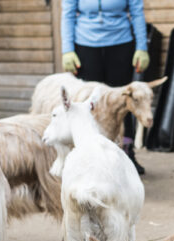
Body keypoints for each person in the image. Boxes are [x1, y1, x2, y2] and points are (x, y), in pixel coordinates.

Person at [61, 0, 149, 174]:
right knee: (88, 105)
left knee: (124, 103)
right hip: (85, 47)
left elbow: (137, 12)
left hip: (121, 45)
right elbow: (68, 14)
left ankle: (127, 153)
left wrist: (142, 47)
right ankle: (89, 156)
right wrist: (67, 50)